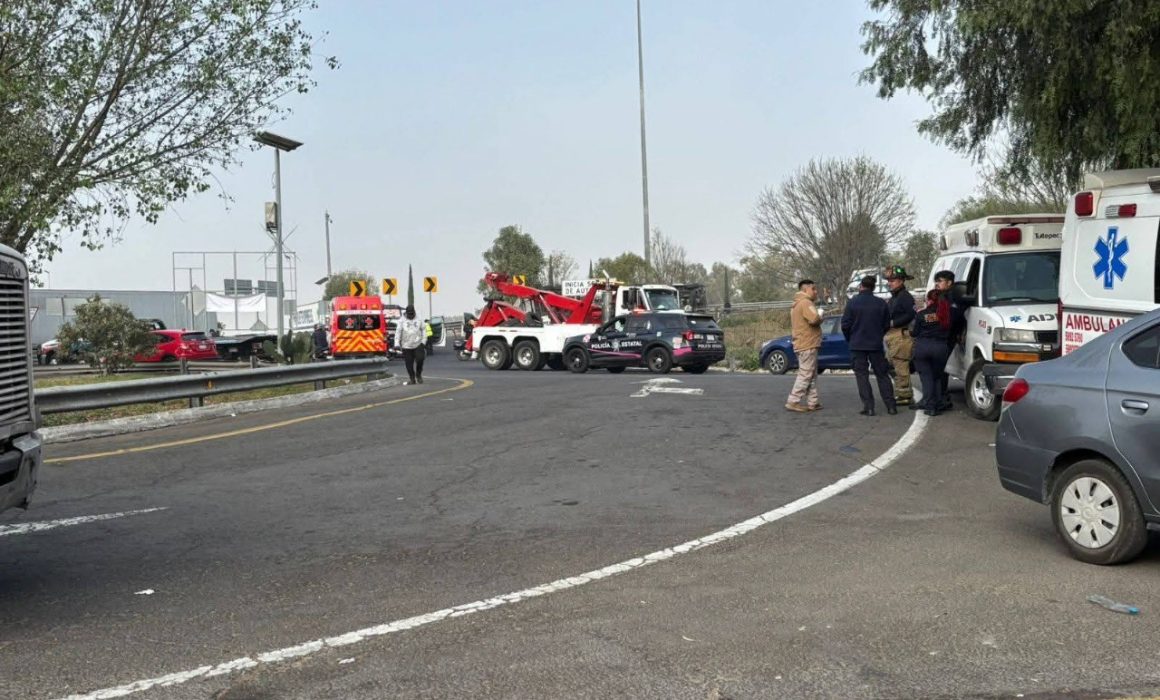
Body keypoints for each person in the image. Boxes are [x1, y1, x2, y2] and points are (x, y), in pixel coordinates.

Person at [841, 275, 897, 416]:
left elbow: (845, 325)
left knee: (862, 376)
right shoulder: (881, 303)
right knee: (882, 375)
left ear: (861, 286)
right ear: (873, 287)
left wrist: (851, 338)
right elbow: (886, 324)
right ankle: (891, 406)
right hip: (875, 344)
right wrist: (878, 335)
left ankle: (869, 407)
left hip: (857, 344)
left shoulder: (853, 303)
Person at [911, 287, 954, 416]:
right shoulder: (946, 314)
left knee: (926, 377)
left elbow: (914, 332)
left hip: (922, 348)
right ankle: (938, 402)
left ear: (929, 301)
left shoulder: (921, 314)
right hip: (940, 348)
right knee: (937, 377)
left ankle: (930, 406)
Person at [785, 279, 824, 413]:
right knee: (806, 374)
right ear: (805, 289)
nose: (815, 291)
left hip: (802, 343)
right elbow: (814, 319)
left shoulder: (796, 304)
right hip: (808, 344)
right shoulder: (806, 303)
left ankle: (813, 402)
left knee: (811, 374)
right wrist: (820, 315)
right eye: (813, 289)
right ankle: (793, 401)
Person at [883, 265, 917, 405]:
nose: (890, 282)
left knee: (900, 365)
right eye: (889, 280)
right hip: (892, 336)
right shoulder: (894, 298)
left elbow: (911, 314)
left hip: (901, 335)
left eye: (893, 280)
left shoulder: (905, 297)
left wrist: (893, 322)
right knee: (891, 364)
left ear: (901, 281)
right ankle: (901, 391)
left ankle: (905, 395)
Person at [394, 305, 427, 384]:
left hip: (418, 344)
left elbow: (424, 330)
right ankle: (412, 378)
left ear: (414, 312)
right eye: (409, 314)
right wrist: (397, 343)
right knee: (409, 363)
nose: (411, 315)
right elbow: (398, 332)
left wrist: (423, 342)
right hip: (406, 345)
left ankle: (418, 374)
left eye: (412, 314)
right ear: (406, 313)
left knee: (420, 359)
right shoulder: (401, 320)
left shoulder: (419, 319)